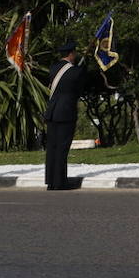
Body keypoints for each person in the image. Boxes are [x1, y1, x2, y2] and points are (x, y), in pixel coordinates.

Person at [44, 42, 85, 191]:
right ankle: (60, 181)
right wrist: (80, 69)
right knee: (62, 148)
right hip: (66, 112)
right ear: (71, 54)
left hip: (52, 111)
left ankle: (51, 181)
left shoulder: (53, 68)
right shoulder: (76, 71)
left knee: (52, 148)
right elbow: (78, 90)